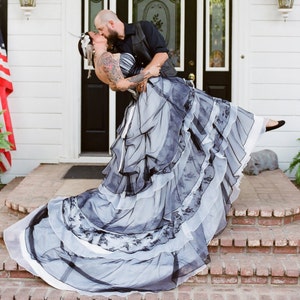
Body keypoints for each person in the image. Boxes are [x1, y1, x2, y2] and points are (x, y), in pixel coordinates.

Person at [4, 31, 285, 297]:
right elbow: (120, 83)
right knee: (196, 124)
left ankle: (253, 124)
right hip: (153, 100)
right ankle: (254, 124)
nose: (100, 32)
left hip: (155, 101)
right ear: (92, 40)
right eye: (96, 33)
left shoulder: (107, 55)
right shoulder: (104, 58)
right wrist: (147, 74)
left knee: (193, 131)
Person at [94, 9, 177, 92]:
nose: (100, 33)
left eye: (101, 29)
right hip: (143, 95)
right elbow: (116, 84)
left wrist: (145, 74)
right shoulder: (113, 48)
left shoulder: (144, 27)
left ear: (111, 23)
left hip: (168, 86)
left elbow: (162, 54)